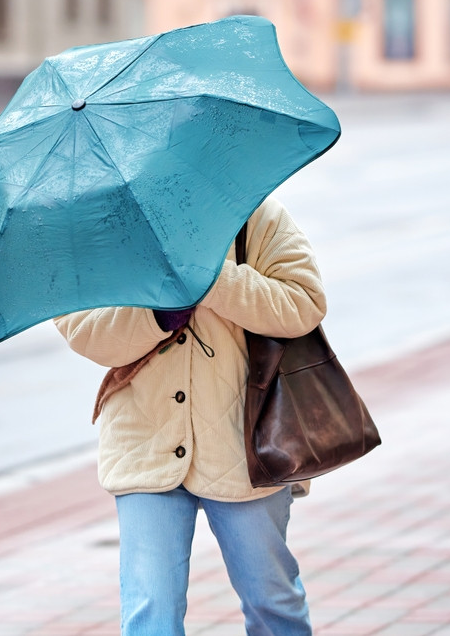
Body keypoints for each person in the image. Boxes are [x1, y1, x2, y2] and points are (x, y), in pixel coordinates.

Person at [53, 195, 326, 635]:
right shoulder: (102, 228)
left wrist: (212, 277)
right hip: (144, 442)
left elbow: (303, 305)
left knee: (271, 603)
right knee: (150, 613)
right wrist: (160, 314)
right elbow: (86, 333)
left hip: (248, 445)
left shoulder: (256, 214)